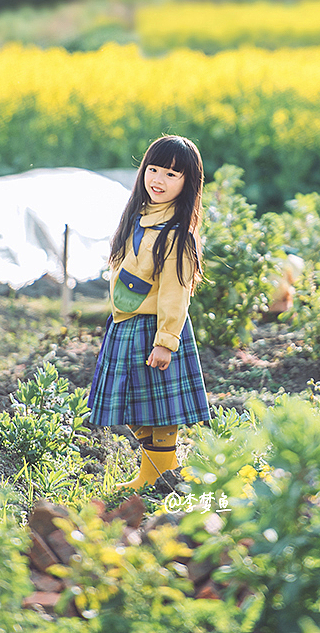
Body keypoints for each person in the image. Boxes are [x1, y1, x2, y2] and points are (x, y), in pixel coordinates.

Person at [86, 134, 210, 490]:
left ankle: (158, 477)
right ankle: (163, 473)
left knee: (158, 411)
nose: (158, 179)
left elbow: (175, 293)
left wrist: (166, 341)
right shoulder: (139, 218)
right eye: (153, 169)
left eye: (172, 174)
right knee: (134, 407)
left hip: (155, 329)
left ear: (188, 183)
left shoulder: (177, 234)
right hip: (126, 326)